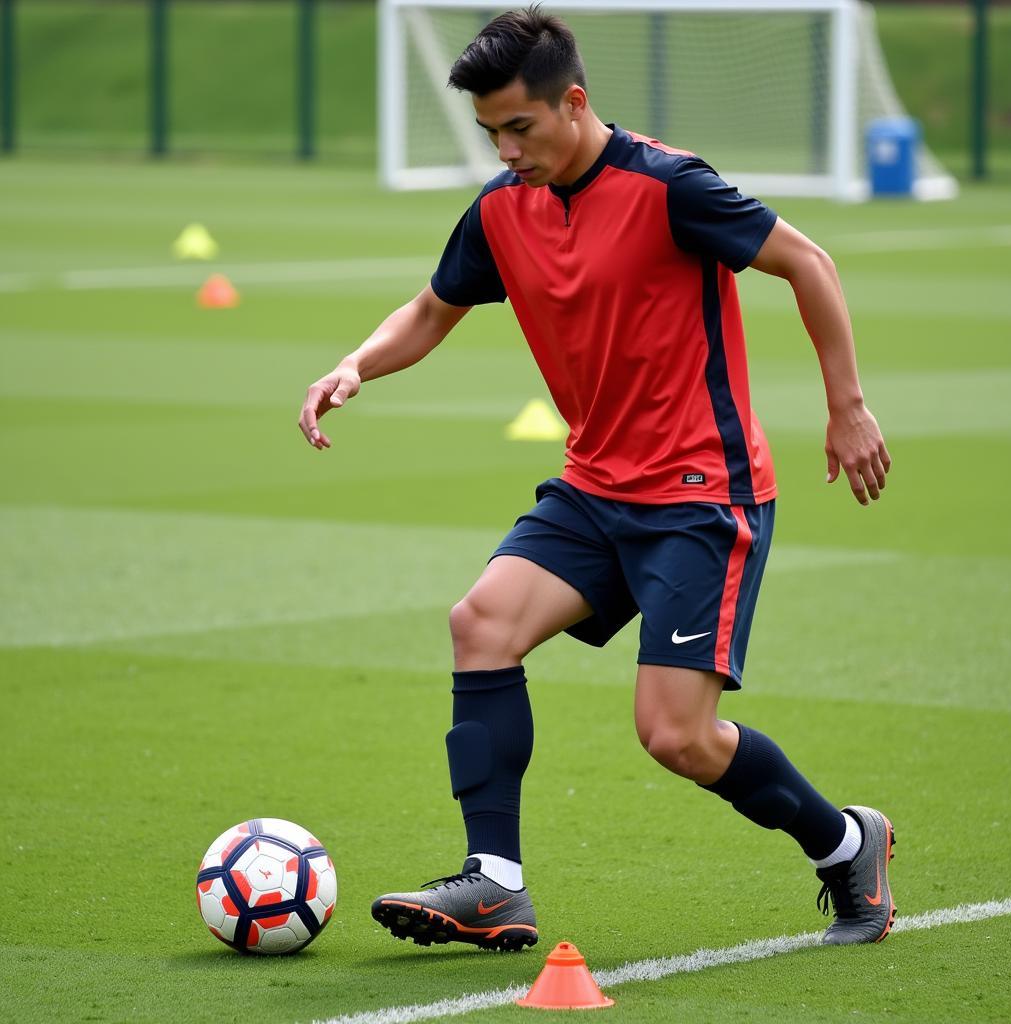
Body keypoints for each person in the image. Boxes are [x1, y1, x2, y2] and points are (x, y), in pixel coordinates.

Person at [299, 5, 895, 954]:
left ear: (573, 103)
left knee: (677, 738)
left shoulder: (670, 187)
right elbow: (431, 308)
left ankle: (846, 843)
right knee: (480, 623)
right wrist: (356, 366)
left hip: (703, 496)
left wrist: (847, 405)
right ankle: (495, 884)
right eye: (490, 132)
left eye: (519, 128)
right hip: (594, 488)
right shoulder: (503, 208)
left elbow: (807, 262)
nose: (504, 149)